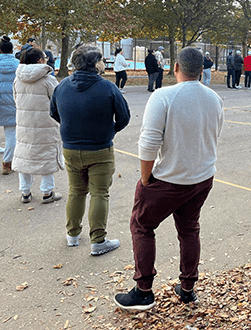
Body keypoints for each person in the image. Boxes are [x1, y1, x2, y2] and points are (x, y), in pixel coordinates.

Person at [114, 47, 223, 311]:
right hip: (202, 177)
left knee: (141, 225)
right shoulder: (214, 98)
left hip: (170, 179)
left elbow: (149, 142)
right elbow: (213, 134)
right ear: (201, 69)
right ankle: (187, 288)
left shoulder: (164, 96)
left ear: (176, 68)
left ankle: (143, 291)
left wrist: (145, 178)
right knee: (189, 229)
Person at [50, 45, 131, 255]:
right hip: (100, 149)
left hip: (70, 148)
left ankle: (72, 235)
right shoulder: (108, 88)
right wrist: (110, 131)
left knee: (76, 191)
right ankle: (98, 240)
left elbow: (54, 113)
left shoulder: (62, 86)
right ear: (96, 64)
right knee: (99, 193)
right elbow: (124, 117)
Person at [13, 47, 63, 204]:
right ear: (40, 60)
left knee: (25, 155)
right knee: (46, 156)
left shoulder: (17, 79)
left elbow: (16, 100)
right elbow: (58, 102)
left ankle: (25, 192)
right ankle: (47, 192)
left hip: (24, 123)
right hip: (46, 124)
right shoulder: (49, 80)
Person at [0, 36, 19, 175]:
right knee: (11, 134)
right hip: (12, 102)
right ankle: (7, 163)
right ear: (12, 50)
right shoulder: (18, 65)